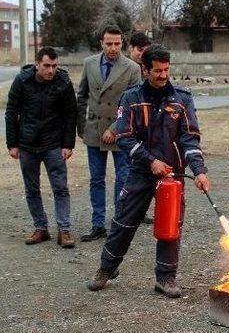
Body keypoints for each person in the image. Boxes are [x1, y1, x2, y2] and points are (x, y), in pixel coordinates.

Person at [87, 44, 210, 298]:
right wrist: (150, 161)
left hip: (172, 176)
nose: (163, 75)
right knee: (123, 220)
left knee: (170, 224)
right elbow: (123, 137)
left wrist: (199, 171)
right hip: (141, 172)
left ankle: (165, 278)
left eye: (166, 70)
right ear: (144, 70)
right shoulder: (131, 98)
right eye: (157, 71)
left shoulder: (182, 99)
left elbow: (190, 138)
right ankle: (106, 269)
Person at [5, 46, 77, 248]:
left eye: (54, 66)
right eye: (46, 66)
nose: (51, 70)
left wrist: (67, 144)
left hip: (53, 144)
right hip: (27, 144)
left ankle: (64, 230)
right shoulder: (22, 81)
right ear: (37, 64)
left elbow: (71, 114)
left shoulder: (63, 82)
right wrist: (12, 144)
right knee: (32, 189)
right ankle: (40, 228)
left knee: (60, 188)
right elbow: (11, 112)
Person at [77, 25, 142, 242]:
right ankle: (98, 225)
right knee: (97, 179)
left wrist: (115, 128)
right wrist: (81, 126)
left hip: (120, 131)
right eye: (109, 44)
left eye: (117, 43)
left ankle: (118, 223)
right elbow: (82, 96)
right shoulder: (89, 63)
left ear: (122, 43)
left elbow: (134, 103)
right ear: (101, 43)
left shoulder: (132, 68)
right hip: (94, 130)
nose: (113, 48)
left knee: (123, 178)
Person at [126, 30, 154, 225]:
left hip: (147, 129)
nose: (142, 54)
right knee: (127, 174)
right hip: (127, 129)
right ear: (131, 49)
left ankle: (141, 210)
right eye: (140, 50)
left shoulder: (149, 67)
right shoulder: (126, 68)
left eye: (146, 50)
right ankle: (127, 210)